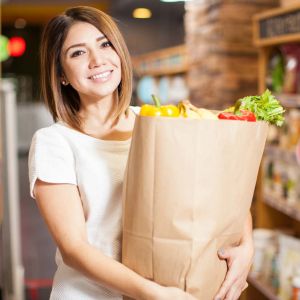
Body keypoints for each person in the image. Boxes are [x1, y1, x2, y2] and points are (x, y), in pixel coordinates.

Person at [28, 6, 253, 300]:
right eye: (78, 53)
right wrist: (155, 294)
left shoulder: (159, 123)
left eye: (105, 44)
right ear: (61, 75)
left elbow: (219, 193)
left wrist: (246, 247)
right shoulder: (54, 142)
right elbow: (74, 249)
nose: (98, 60)